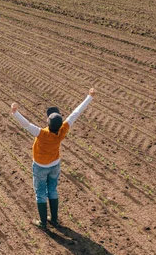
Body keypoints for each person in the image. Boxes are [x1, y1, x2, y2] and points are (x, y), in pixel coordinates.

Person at [10, 88, 95, 230]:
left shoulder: (41, 133)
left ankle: (43, 223)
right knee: (53, 190)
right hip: (55, 165)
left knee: (40, 193)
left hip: (40, 167)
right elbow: (76, 113)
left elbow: (26, 124)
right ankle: (54, 220)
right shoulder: (63, 130)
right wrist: (89, 97)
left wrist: (15, 112)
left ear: (48, 123)